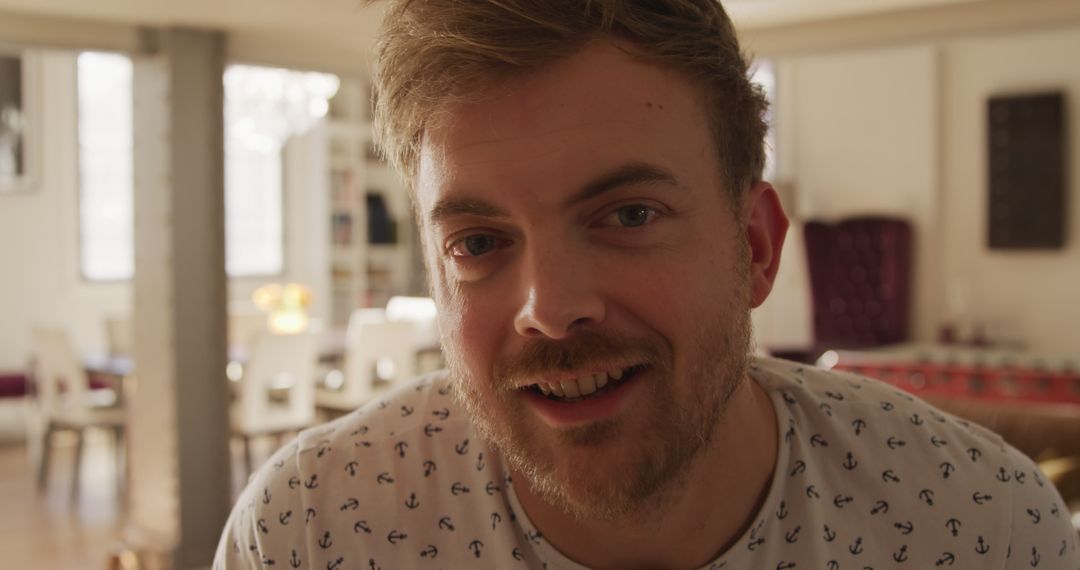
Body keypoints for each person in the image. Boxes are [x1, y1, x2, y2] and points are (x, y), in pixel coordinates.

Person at [215, 1, 1079, 568]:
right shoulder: (311, 533)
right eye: (479, 241)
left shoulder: (980, 527)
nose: (549, 309)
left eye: (627, 216)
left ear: (757, 247)